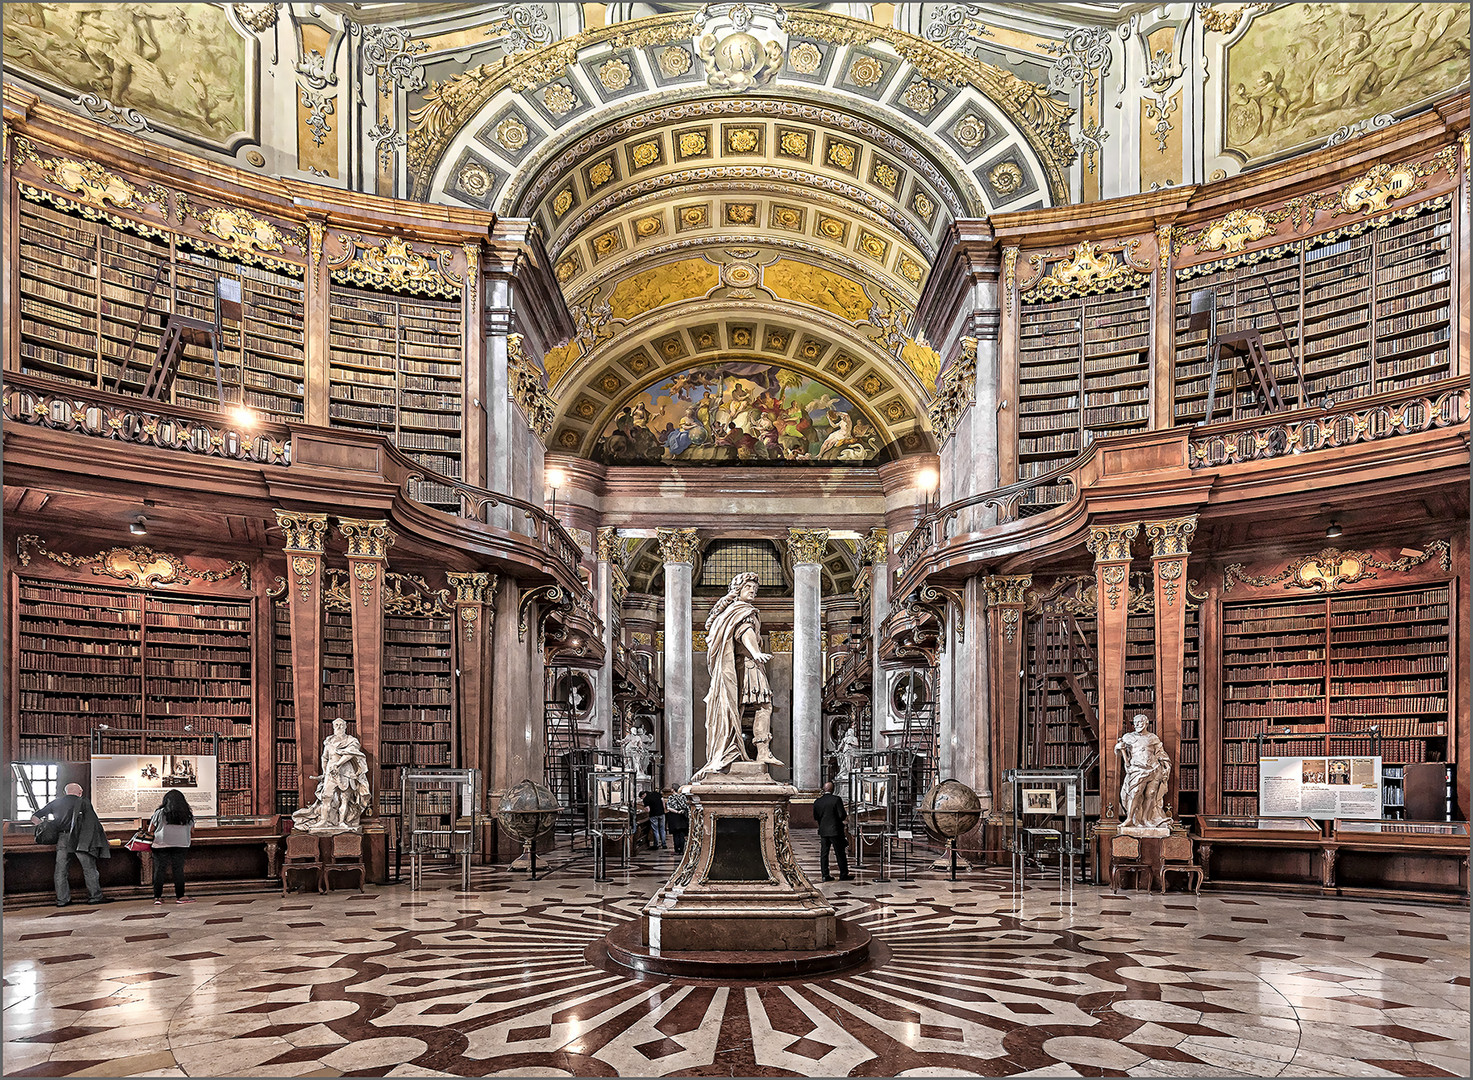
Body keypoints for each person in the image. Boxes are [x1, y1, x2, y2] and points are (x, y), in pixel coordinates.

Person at [697, 571, 780, 780]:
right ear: (738, 590)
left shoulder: (728, 612)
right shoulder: (743, 611)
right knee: (764, 705)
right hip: (749, 664)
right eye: (748, 588)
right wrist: (756, 653)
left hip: (735, 668)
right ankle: (762, 751)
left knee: (736, 709)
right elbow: (745, 632)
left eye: (755, 589)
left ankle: (733, 749)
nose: (752, 591)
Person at [31, 783, 111, 908]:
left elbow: (34, 817)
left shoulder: (56, 803)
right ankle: (95, 897)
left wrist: (44, 826)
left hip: (63, 838)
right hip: (81, 838)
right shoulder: (83, 802)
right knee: (89, 869)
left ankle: (62, 900)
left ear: (65, 792)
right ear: (80, 792)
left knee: (61, 871)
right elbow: (92, 823)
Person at [292, 717, 372, 833]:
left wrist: (338, 765)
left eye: (341, 725)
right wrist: (325, 772)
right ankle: (323, 821)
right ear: (333, 727)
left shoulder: (351, 741)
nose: (339, 727)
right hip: (331, 774)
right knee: (326, 797)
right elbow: (324, 757)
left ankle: (342, 822)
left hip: (346, 773)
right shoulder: (329, 742)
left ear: (345, 726)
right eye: (336, 725)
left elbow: (350, 754)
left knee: (345, 799)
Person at [1116, 713, 1172, 831]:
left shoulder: (1153, 738)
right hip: (1137, 770)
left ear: (1146, 723)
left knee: (1151, 794)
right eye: (1135, 723)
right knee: (1136, 792)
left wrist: (1166, 765)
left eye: (1140, 722)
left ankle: (1146, 819)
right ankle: (1130, 818)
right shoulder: (1128, 737)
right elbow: (1118, 751)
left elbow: (1160, 753)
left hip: (1154, 769)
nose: (1137, 725)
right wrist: (1118, 747)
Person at [148, 789, 195, 905]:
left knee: (159, 870)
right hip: (181, 844)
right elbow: (192, 831)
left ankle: (157, 897)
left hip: (161, 844)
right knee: (178, 870)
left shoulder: (160, 812)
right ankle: (180, 896)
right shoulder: (188, 814)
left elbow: (150, 830)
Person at [813, 781, 851, 882]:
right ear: (833, 789)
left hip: (824, 831)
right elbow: (841, 815)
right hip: (835, 830)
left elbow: (815, 816)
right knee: (840, 853)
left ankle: (825, 875)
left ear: (823, 789)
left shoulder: (818, 801)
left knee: (824, 854)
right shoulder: (836, 800)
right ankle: (843, 874)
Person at [665, 788, 690, 856]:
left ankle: (676, 850)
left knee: (675, 834)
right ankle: (681, 850)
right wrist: (681, 811)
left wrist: (676, 812)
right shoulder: (683, 797)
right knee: (682, 834)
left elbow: (669, 808)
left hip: (674, 816)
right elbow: (686, 806)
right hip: (682, 817)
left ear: (672, 789)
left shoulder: (671, 797)